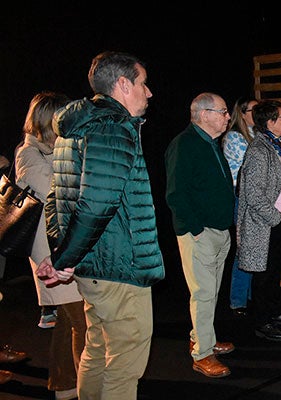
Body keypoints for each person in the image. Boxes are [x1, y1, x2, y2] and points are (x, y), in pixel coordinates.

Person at [37, 51, 166, 400]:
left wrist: (63, 253)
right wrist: (64, 258)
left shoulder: (76, 126)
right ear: (123, 85)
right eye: (143, 83)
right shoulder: (113, 126)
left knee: (96, 348)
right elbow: (96, 204)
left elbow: (56, 199)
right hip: (118, 267)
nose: (149, 92)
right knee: (124, 364)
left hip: (94, 267)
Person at [15, 91, 85, 400]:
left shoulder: (49, 150)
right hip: (51, 253)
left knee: (68, 322)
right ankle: (87, 387)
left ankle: (63, 385)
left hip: (61, 249)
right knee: (82, 322)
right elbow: (57, 194)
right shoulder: (28, 155)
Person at [165, 92, 235, 378]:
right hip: (200, 234)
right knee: (204, 293)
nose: (228, 117)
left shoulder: (210, 143)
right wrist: (195, 230)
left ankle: (203, 336)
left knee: (211, 292)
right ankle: (202, 354)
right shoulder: (184, 144)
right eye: (223, 111)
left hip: (219, 232)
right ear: (204, 114)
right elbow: (175, 194)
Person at [237, 99, 281, 342]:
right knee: (264, 276)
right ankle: (262, 322)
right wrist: (276, 219)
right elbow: (252, 193)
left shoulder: (278, 146)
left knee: (275, 273)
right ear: (270, 123)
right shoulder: (259, 150)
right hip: (270, 223)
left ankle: (274, 313)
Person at [223, 96, 259, 317]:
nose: (258, 112)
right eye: (254, 109)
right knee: (244, 251)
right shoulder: (235, 138)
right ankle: (237, 301)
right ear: (242, 113)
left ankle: (250, 296)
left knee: (255, 251)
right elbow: (245, 173)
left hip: (256, 199)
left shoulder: (258, 134)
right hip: (243, 199)